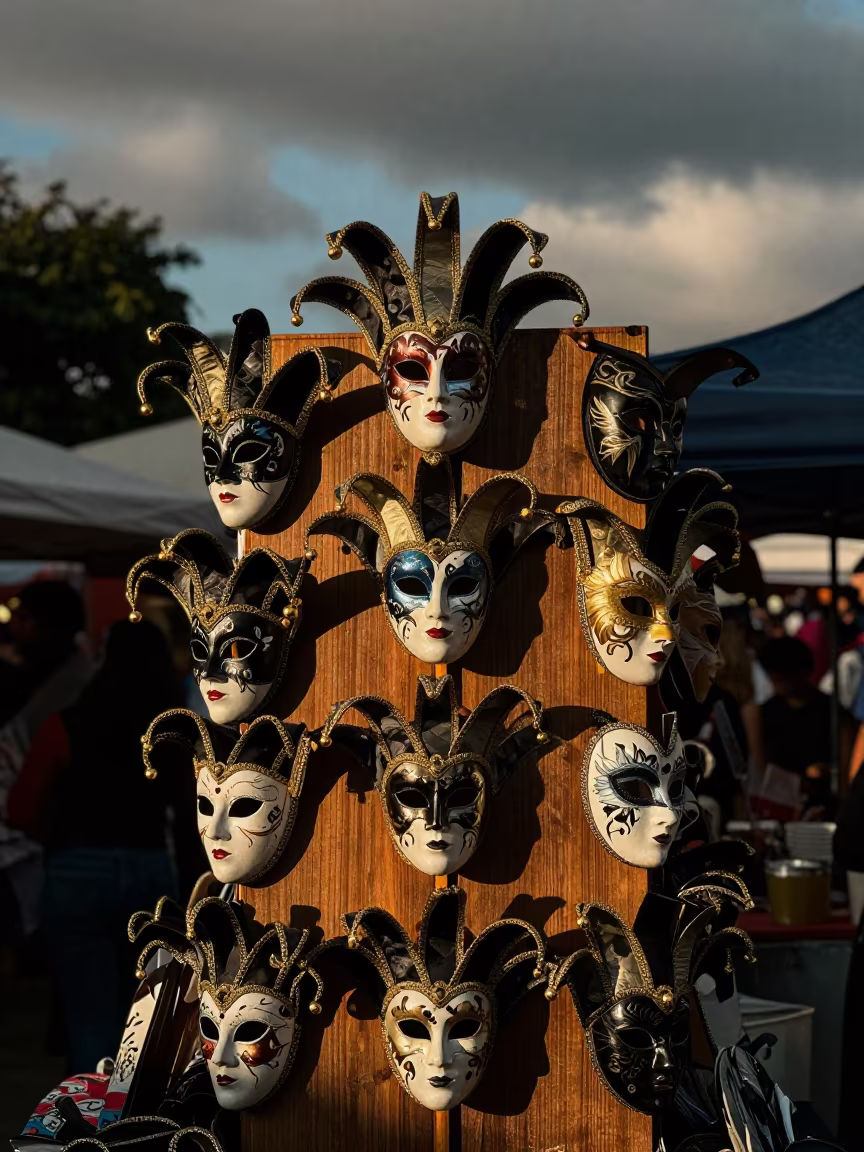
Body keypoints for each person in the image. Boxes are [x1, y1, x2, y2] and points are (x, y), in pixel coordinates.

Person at [7, 619, 196, 1072]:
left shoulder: (67, 723)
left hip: (76, 867)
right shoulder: (174, 731)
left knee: (87, 1007)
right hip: (150, 868)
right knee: (147, 1006)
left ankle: (93, 1117)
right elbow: (192, 811)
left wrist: (54, 838)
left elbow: (20, 807)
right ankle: (136, 1110)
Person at [0, 582, 94, 945]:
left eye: (24, 617)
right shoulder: (37, 675)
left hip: (56, 841)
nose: (14, 626)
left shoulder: (76, 685)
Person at [758, 636, 832, 816]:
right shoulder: (765, 714)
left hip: (824, 803)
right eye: (774, 677)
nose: (778, 680)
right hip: (778, 805)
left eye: (784, 676)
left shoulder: (830, 712)